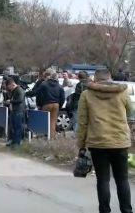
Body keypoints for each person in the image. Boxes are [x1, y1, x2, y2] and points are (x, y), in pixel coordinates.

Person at [77, 69, 133, 213]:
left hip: (97, 142)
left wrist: (81, 144)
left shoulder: (86, 95)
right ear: (110, 78)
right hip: (119, 141)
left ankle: (105, 210)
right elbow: (130, 111)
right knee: (122, 179)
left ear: (95, 79)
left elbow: (82, 121)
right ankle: (126, 210)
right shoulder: (122, 92)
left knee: (102, 179)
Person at [36, 69, 65, 139]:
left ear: (50, 77)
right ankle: (52, 137)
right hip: (56, 104)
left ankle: (43, 135)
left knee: (44, 120)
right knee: (53, 121)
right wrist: (59, 105)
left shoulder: (44, 84)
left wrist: (39, 104)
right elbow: (63, 98)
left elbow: (38, 95)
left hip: (46, 104)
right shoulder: (60, 86)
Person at [4, 78, 26, 147]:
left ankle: (17, 142)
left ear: (12, 84)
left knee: (17, 127)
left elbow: (19, 100)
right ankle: (14, 141)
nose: (9, 89)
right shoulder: (14, 90)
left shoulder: (19, 90)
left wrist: (10, 101)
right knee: (14, 127)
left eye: (9, 87)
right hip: (15, 110)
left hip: (18, 111)